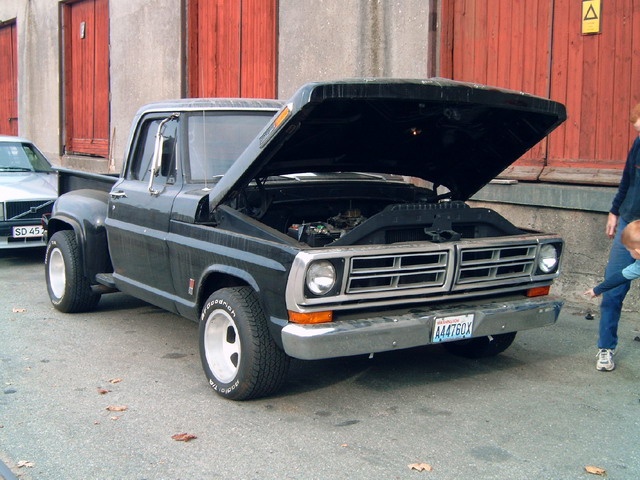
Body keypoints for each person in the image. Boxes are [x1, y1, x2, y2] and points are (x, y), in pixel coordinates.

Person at [587, 104, 640, 372]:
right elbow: (628, 179)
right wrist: (614, 211)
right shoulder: (639, 142)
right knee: (614, 286)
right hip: (631, 224)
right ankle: (605, 347)